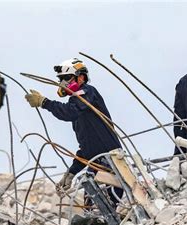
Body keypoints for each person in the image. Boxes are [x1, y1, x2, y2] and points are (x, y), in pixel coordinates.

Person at [24, 58, 122, 194]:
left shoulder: (87, 92)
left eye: (67, 78)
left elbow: (69, 112)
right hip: (96, 163)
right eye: (61, 79)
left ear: (81, 77)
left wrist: (44, 102)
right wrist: (71, 172)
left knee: (108, 202)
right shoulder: (79, 112)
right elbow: (87, 149)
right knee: (91, 202)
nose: (63, 83)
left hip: (110, 160)